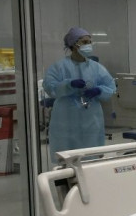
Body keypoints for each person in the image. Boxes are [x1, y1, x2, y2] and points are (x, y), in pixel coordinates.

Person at [43, 27, 116, 160]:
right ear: (74, 44)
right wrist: (68, 85)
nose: (88, 45)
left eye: (89, 42)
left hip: (91, 117)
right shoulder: (59, 67)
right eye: (84, 42)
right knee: (66, 155)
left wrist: (99, 90)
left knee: (91, 154)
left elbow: (110, 86)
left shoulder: (96, 67)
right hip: (65, 118)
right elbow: (49, 87)